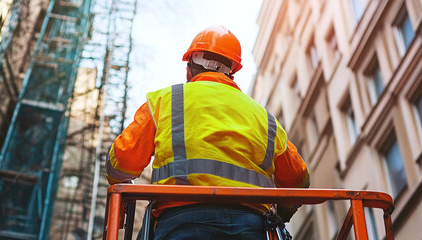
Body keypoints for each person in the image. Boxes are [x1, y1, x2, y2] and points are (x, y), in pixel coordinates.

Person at [105, 25, 310, 239]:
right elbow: (298, 179)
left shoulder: (164, 101)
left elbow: (121, 163)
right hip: (252, 227)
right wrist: (284, 211)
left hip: (180, 223)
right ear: (232, 71)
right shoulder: (264, 118)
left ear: (189, 67)